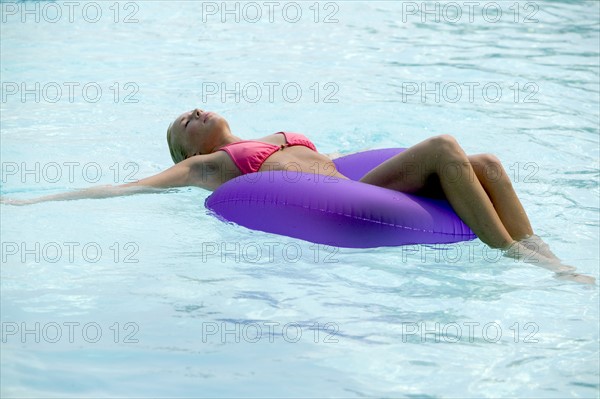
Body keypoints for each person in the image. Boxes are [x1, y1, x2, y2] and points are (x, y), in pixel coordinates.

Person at [1, 108, 595, 283]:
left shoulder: (274, 133)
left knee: (485, 161)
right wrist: (32, 205)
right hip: (343, 192)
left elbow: (337, 159)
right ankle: (518, 256)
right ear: (185, 154)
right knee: (443, 144)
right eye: (183, 123)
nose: (194, 113)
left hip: (351, 177)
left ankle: (538, 246)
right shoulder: (212, 166)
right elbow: (124, 189)